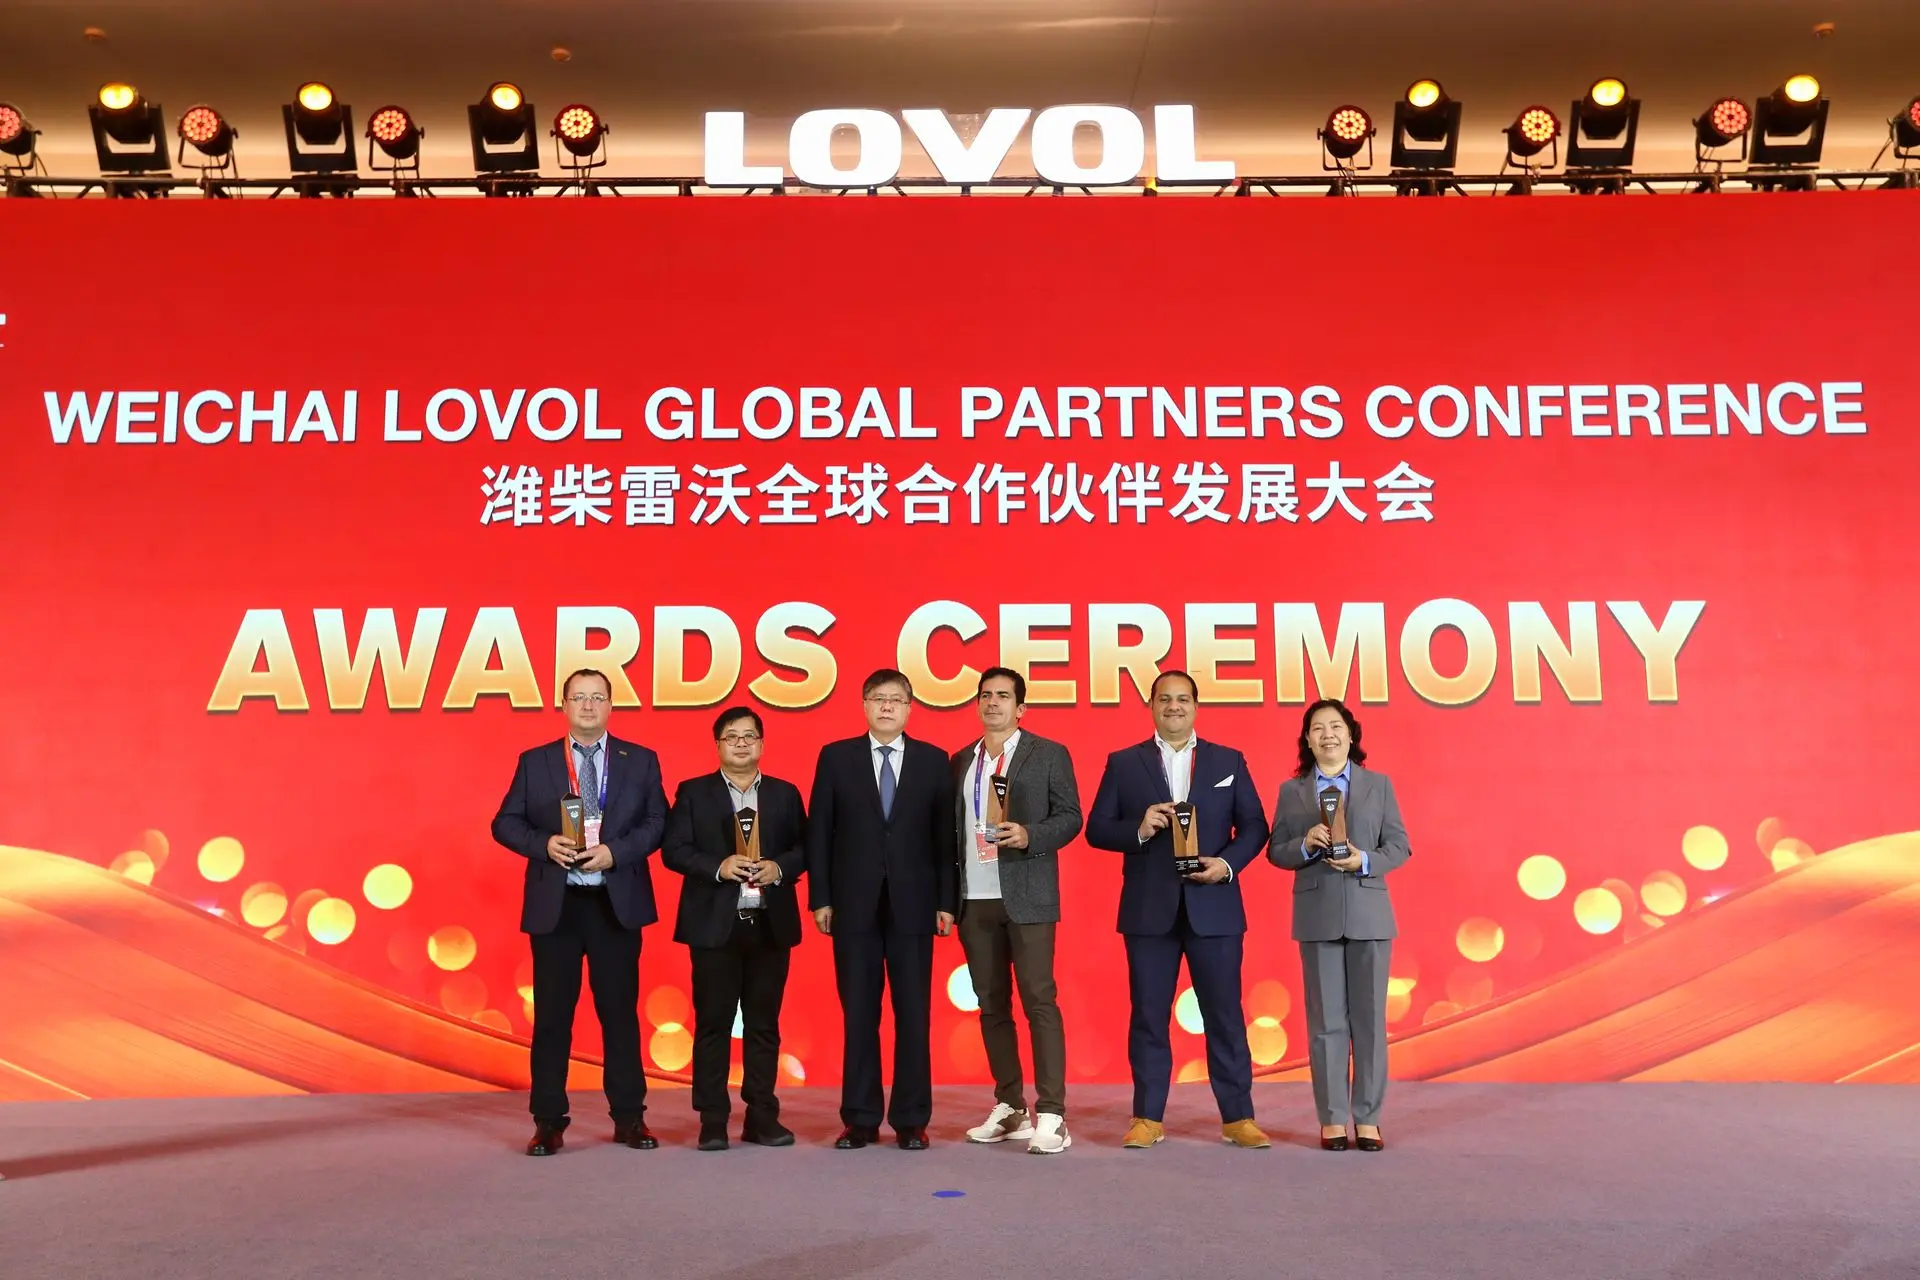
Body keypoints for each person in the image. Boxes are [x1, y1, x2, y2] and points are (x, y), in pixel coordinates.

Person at [1085, 670, 1271, 1150]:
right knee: (1149, 1016)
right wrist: (1140, 827)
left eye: (1183, 699)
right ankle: (1147, 1118)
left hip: (1215, 908)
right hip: (1149, 911)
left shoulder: (1228, 760)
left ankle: (1238, 1117)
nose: (1174, 706)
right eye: (1164, 699)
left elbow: (1255, 826)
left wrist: (1226, 865)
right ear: (1151, 705)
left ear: (1196, 706)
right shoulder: (1124, 763)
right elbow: (1096, 829)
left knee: (1225, 1015)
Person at [490, 667, 668, 1156]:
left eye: (597, 697)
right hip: (558, 906)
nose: (588, 706)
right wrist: (544, 844)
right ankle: (548, 1121)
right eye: (578, 697)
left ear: (611, 705)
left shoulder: (640, 760)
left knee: (620, 1015)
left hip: (615, 905)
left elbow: (658, 822)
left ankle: (630, 1118)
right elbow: (504, 823)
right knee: (552, 1017)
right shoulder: (536, 761)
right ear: (564, 705)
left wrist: (617, 852)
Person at [806, 668, 955, 1150]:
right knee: (859, 1014)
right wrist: (821, 897)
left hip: (916, 905)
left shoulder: (933, 761)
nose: (887, 706)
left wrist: (946, 902)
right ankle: (860, 1118)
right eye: (877, 698)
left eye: (896, 699)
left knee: (913, 1014)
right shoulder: (836, 757)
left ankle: (911, 1120)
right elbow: (819, 832)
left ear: (910, 708)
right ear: (864, 705)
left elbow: (944, 839)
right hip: (853, 906)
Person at [1267, 697, 1412, 1153]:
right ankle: (1332, 1118)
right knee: (1326, 1023)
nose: (1327, 735)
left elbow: (1399, 846)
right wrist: (1304, 844)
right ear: (1307, 740)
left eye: (1335, 726)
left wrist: (1364, 860)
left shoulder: (1378, 785)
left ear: (1351, 735)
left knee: (1369, 1023)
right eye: (1317, 728)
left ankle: (1367, 1118)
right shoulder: (1292, 791)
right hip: (1317, 916)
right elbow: (1275, 851)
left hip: (1370, 916)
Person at [949, 667, 1083, 1154]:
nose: (993, 703)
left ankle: (1053, 1113)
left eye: (1003, 696)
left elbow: (1071, 817)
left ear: (1020, 708)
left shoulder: (1048, 754)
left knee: (1039, 1001)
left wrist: (1030, 834)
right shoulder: (960, 761)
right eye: (985, 695)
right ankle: (1010, 1106)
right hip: (974, 898)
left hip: (1028, 896)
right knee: (991, 1005)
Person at [662, 706, 807, 1152]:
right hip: (714, 926)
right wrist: (718, 866)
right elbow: (673, 850)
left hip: (769, 923)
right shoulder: (694, 792)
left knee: (764, 1026)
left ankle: (762, 1116)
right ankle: (712, 1119)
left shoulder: (784, 793)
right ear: (718, 745)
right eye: (732, 736)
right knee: (713, 1025)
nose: (741, 744)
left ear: (761, 743)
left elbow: (806, 847)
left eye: (749, 736)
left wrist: (779, 868)